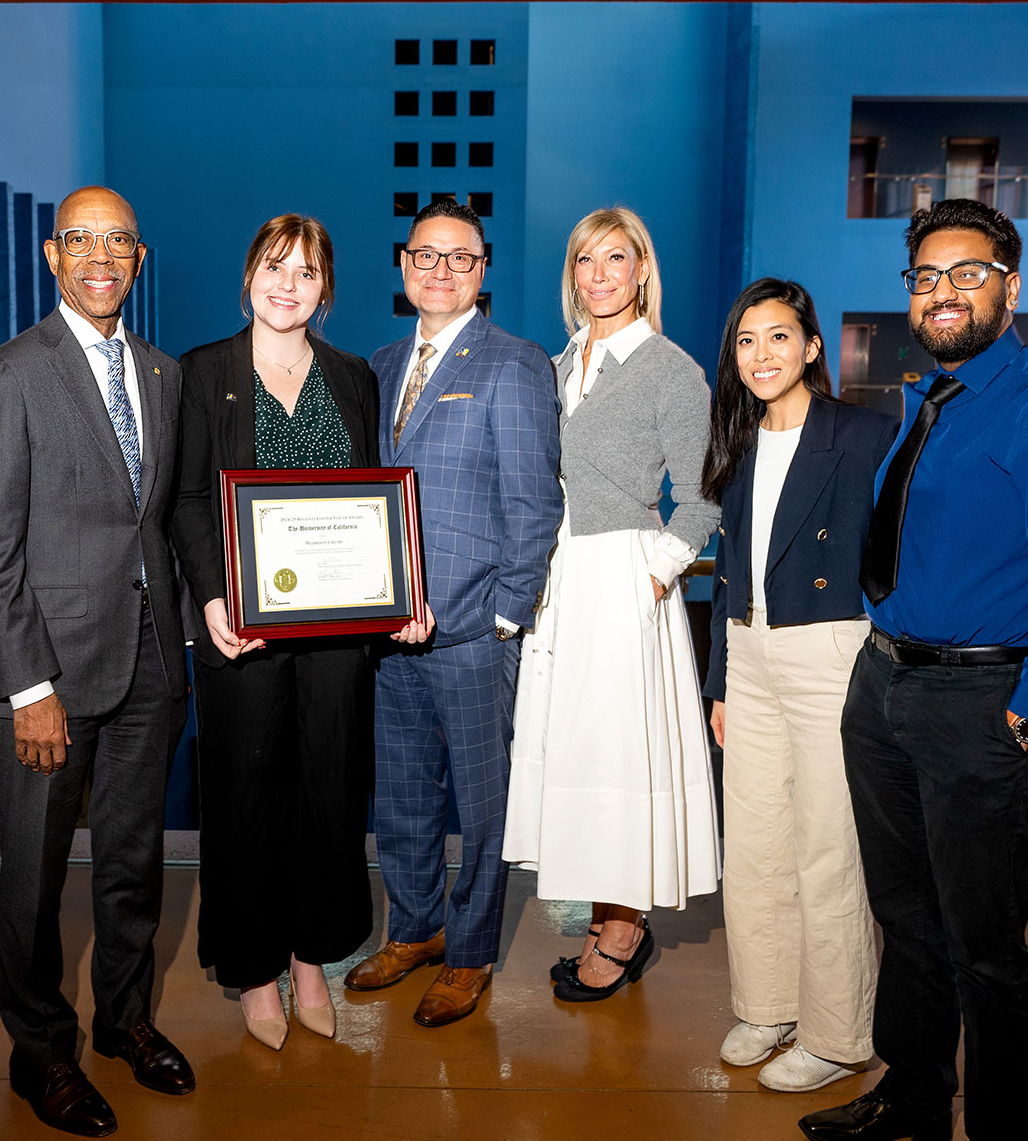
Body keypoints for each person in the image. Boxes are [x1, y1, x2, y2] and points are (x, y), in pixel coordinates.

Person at [800, 199, 1028, 1141]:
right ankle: (913, 1097)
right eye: (927, 277)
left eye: (968, 273)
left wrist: (1025, 716)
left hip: (985, 704)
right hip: (888, 687)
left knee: (986, 949)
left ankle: (1003, 1128)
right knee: (905, 919)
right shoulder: (931, 400)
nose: (945, 293)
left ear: (1011, 287)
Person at [0, 186, 194, 1138]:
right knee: (34, 878)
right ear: (54, 256)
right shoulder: (9, 373)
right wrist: (29, 688)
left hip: (149, 667)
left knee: (133, 868)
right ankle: (39, 1055)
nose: (101, 257)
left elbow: (159, 519)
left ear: (139, 258)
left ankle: (126, 1022)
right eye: (81, 241)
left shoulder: (163, 373)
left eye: (120, 242)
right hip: (48, 677)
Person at [343, 199, 564, 1027]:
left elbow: (534, 503)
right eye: (425, 256)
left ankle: (469, 954)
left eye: (459, 257)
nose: (440, 270)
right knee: (400, 799)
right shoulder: (377, 363)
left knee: (480, 805)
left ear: (484, 269)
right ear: (403, 267)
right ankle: (414, 931)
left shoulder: (514, 361)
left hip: (472, 632)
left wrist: (504, 616)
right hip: (388, 632)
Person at [171, 215, 381, 1049]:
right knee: (244, 798)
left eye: (305, 272)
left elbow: (375, 503)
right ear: (248, 275)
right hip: (242, 632)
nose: (287, 284)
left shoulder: (352, 377)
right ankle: (256, 972)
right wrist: (216, 599)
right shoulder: (203, 373)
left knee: (328, 796)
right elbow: (187, 500)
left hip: (336, 633)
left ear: (325, 289)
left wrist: (389, 596)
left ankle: (310, 959)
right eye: (273, 265)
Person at [502, 206, 721, 1002]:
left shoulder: (672, 371)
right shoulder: (557, 366)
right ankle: (605, 913)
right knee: (583, 759)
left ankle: (624, 928)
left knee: (622, 760)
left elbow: (699, 501)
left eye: (615, 259)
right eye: (585, 261)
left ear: (641, 271)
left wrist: (652, 577)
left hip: (623, 583)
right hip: (559, 583)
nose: (599, 275)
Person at [698, 279, 896, 1090]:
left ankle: (840, 1034)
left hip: (828, 652)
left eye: (778, 337)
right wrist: (717, 679)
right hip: (750, 654)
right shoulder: (739, 441)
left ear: (813, 346)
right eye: (746, 342)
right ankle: (770, 1004)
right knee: (753, 848)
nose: (761, 355)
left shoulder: (864, 434)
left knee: (828, 851)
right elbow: (728, 569)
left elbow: (895, 553)